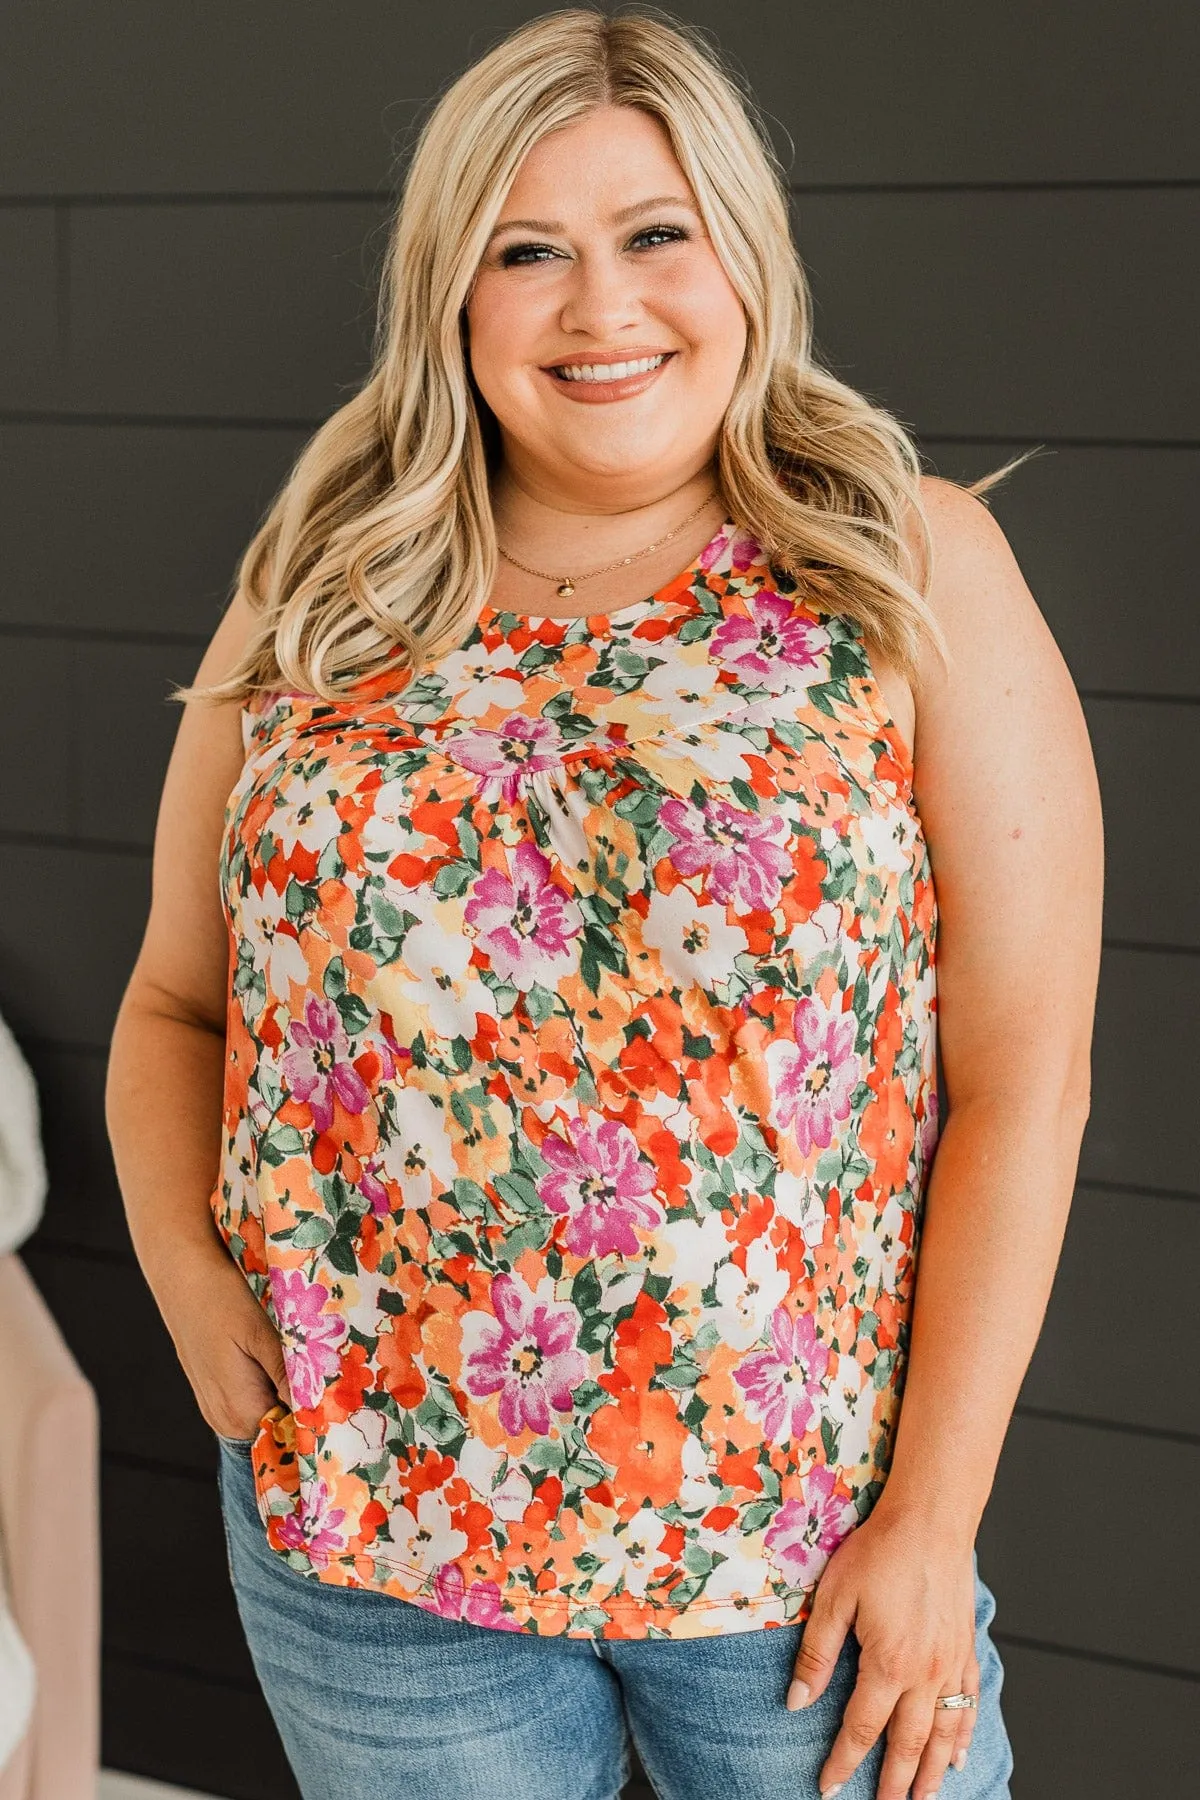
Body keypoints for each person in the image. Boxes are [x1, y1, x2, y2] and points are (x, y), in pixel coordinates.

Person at [105, 8, 1102, 1799]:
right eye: (527, 251)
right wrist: (185, 1273)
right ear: (452, 296)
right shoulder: (320, 599)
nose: (600, 307)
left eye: (655, 234)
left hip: (794, 1563)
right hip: (373, 1549)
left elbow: (1026, 1080)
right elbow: (177, 1003)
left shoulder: (904, 566)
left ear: (745, 254)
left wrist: (936, 1523)